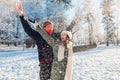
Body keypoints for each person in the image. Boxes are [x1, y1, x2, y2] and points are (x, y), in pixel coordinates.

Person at [14, 2, 59, 80]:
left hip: (55, 64)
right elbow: (27, 29)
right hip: (44, 64)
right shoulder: (39, 36)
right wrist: (21, 15)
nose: (50, 28)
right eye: (48, 26)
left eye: (51, 26)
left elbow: (66, 38)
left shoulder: (56, 36)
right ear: (44, 28)